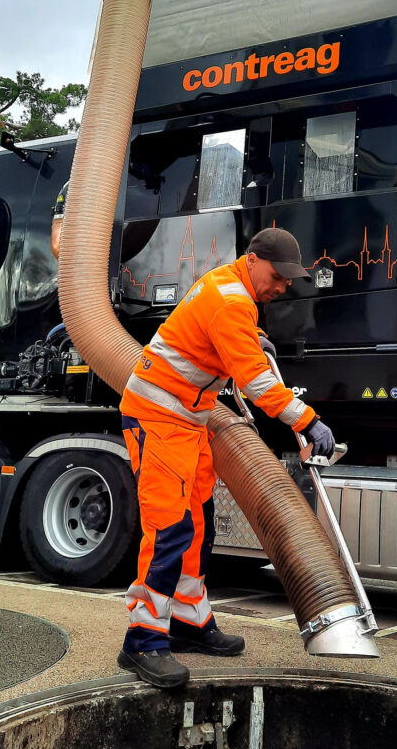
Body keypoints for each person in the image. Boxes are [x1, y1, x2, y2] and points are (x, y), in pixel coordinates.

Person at [116, 227, 336, 688]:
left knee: (198, 524)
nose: (281, 287)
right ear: (253, 260)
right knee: (169, 528)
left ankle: (188, 623)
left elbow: (214, 328)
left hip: (187, 420)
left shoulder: (229, 286)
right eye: (277, 276)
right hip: (158, 418)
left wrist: (254, 336)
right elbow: (257, 386)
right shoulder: (233, 300)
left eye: (286, 281)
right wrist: (308, 421)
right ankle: (142, 640)